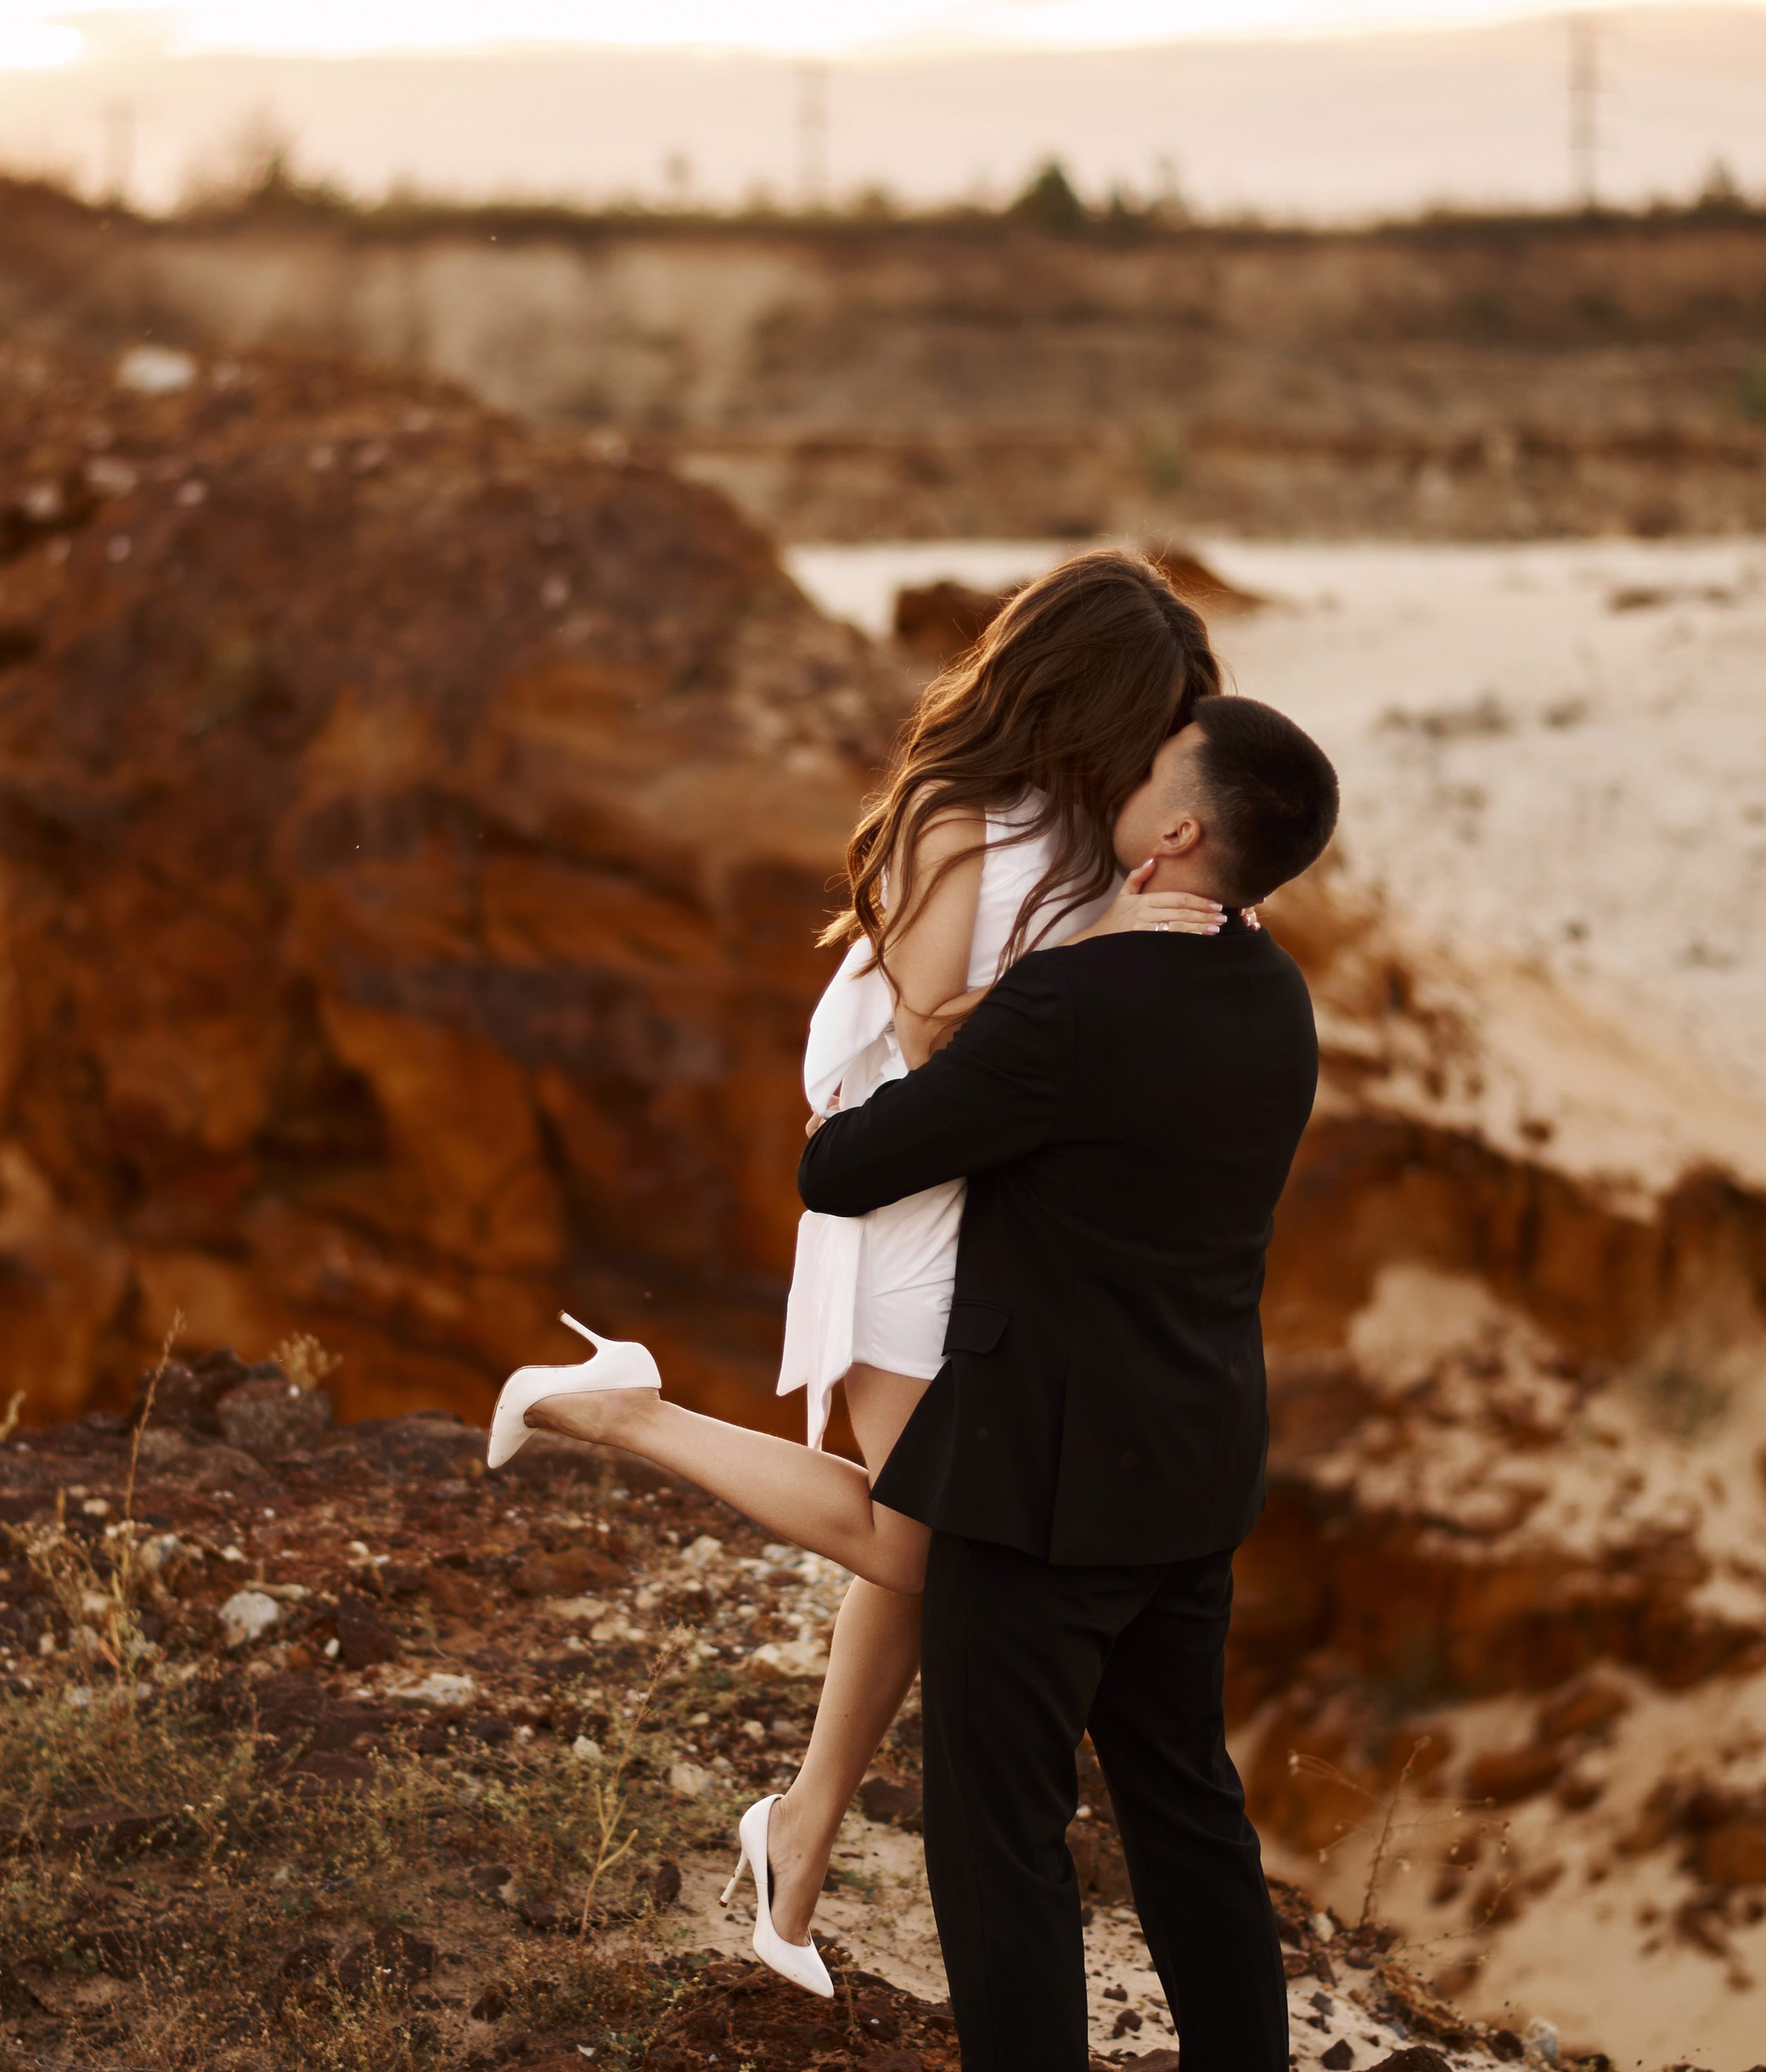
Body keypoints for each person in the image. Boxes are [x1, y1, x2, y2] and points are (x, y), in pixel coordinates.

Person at [488, 552, 1227, 1996]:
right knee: (925, 1544)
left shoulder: (1097, 830)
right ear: (1082, 699)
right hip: (905, 1202)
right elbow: (936, 1028)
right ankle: (623, 1410)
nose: (1163, 750)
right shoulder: (955, 813)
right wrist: (1113, 947)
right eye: (1151, 717)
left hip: (1007, 1208)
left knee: (926, 1531)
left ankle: (797, 1842)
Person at [797, 692, 1342, 2072]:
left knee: (999, 1856)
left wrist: (937, 1035)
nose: (1128, 773)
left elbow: (848, 1167)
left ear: (1175, 831)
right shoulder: (1274, 996)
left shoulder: (1071, 1001)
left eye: (1154, 768)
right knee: (1189, 1823)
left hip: (1038, 1495)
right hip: (1191, 1469)